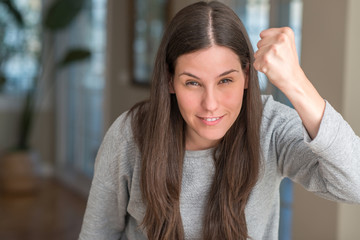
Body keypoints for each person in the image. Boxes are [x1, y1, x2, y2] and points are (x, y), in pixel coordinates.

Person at [78, 1, 360, 240]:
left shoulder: (271, 128)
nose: (210, 104)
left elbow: (355, 185)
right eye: (192, 83)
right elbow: (97, 233)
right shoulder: (130, 135)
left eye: (225, 80)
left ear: (247, 76)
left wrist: (296, 82)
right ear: (169, 80)